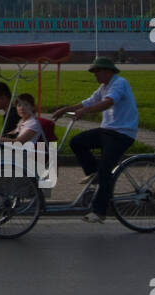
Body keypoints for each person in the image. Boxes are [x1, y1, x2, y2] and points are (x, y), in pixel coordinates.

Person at [49, 57, 139, 223]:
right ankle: (93, 173)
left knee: (106, 171)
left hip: (122, 133)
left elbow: (107, 103)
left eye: (97, 71)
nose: (95, 75)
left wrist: (85, 111)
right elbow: (89, 101)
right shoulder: (103, 87)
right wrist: (66, 109)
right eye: (94, 72)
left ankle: (99, 211)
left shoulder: (119, 83)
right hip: (107, 131)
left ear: (108, 71)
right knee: (76, 142)